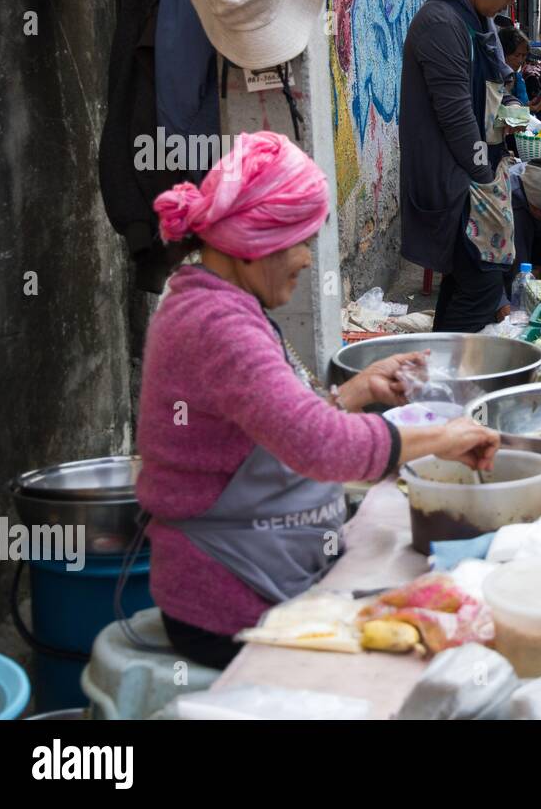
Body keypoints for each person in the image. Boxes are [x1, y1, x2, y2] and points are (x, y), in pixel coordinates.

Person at [137, 131, 500, 669]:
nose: (308, 259)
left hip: (267, 571)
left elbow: (272, 427)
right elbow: (317, 445)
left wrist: (354, 393)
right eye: (301, 241)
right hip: (227, 599)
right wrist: (441, 438)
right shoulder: (216, 323)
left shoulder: (217, 300)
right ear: (256, 241)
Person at [399, 0, 535, 333]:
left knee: (463, 284)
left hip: (472, 175)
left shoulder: (479, 20)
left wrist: (513, 109)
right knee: (480, 284)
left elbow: (496, 86)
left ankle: (442, 379)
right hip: (454, 179)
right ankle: (460, 379)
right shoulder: (442, 24)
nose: (510, 5)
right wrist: (486, 184)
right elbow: (457, 117)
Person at [500, 27, 541, 114]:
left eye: (524, 55)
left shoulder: (517, 78)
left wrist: (529, 107)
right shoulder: (494, 78)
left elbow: (524, 104)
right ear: (503, 53)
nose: (520, 61)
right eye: (517, 55)